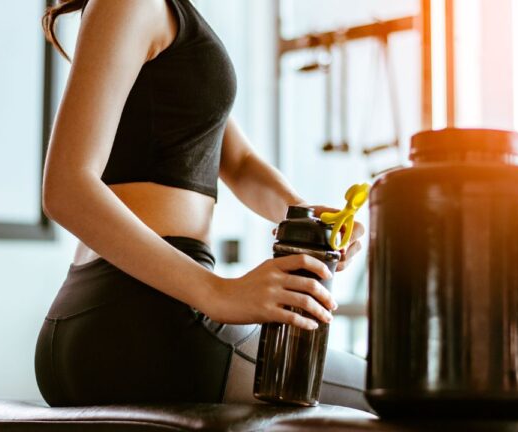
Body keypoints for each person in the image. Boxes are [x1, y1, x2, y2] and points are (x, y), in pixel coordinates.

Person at [34, 0, 368, 410]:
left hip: (111, 321)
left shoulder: (174, 16)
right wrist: (218, 293)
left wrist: (305, 213)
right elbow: (66, 188)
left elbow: (240, 162)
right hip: (145, 320)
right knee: (387, 393)